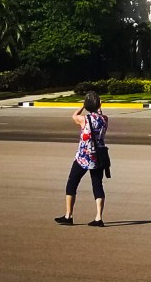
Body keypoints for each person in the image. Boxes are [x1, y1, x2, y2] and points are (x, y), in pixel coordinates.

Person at [54, 90, 109, 227]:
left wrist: (83, 106)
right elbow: (100, 115)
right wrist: (99, 108)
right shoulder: (104, 119)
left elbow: (74, 116)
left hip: (83, 157)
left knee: (72, 183)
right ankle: (98, 218)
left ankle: (68, 215)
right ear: (98, 105)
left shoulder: (84, 119)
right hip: (98, 158)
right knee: (97, 186)